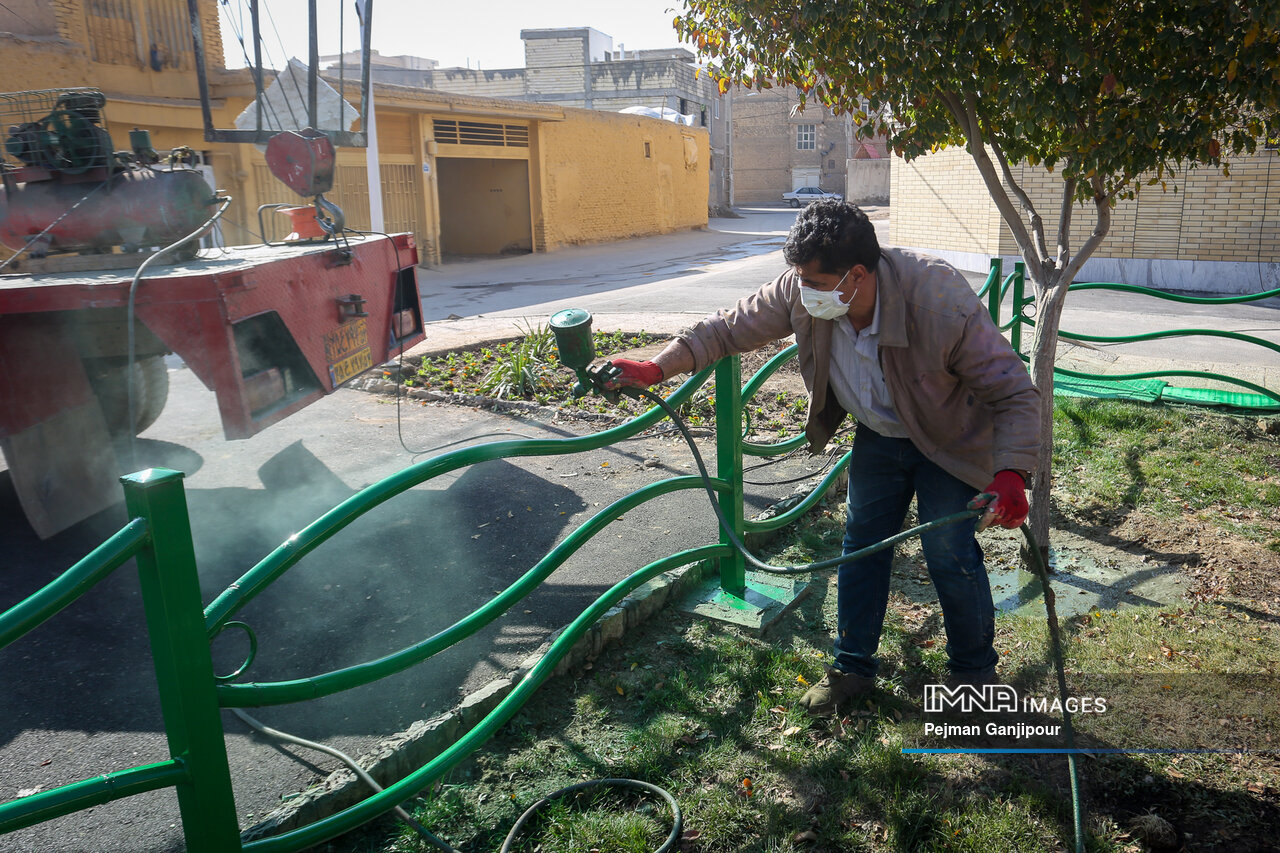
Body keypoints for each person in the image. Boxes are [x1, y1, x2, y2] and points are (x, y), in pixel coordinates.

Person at [608, 200, 1040, 715]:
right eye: (800, 280)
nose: (803, 293)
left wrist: (1011, 472)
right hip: (880, 435)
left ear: (857, 275)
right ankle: (851, 668)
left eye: (815, 283)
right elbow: (726, 329)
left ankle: (974, 677)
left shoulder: (938, 299)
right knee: (861, 547)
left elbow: (1014, 392)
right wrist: (657, 369)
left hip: (949, 439)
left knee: (949, 552)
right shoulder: (807, 288)